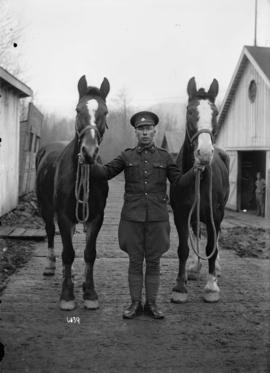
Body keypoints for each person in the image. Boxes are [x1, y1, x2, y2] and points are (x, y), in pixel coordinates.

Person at [91, 111, 198, 319]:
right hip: (132, 219)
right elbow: (104, 173)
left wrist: (195, 170)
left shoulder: (165, 157)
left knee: (154, 262)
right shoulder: (126, 156)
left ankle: (152, 304)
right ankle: (134, 304)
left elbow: (179, 182)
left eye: (148, 129)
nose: (145, 133)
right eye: (141, 129)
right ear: (136, 132)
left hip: (157, 219)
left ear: (155, 131)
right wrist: (88, 163)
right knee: (134, 261)